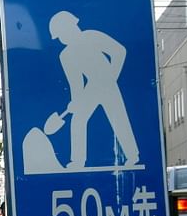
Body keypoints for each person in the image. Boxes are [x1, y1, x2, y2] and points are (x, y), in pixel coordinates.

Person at [49, 11, 139, 168]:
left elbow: (119, 51)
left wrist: (112, 76)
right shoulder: (66, 55)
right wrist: (76, 102)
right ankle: (77, 161)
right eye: (59, 37)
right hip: (91, 87)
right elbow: (75, 83)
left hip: (108, 83)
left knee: (118, 118)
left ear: (71, 26)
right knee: (78, 119)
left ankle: (133, 155)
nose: (62, 39)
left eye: (61, 34)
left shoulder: (91, 36)